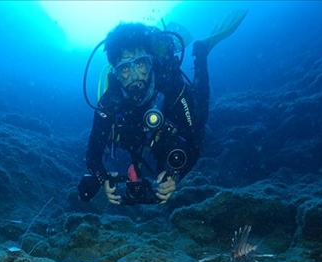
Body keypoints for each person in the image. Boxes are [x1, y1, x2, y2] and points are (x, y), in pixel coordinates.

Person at [78, 10, 248, 205]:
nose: (134, 76)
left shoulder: (171, 84)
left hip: (167, 115)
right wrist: (103, 178)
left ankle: (200, 53)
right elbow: (92, 155)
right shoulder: (109, 102)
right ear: (115, 72)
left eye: (140, 63)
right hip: (139, 132)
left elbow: (195, 142)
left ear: (151, 61)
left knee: (200, 117)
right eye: (125, 68)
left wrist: (176, 176)